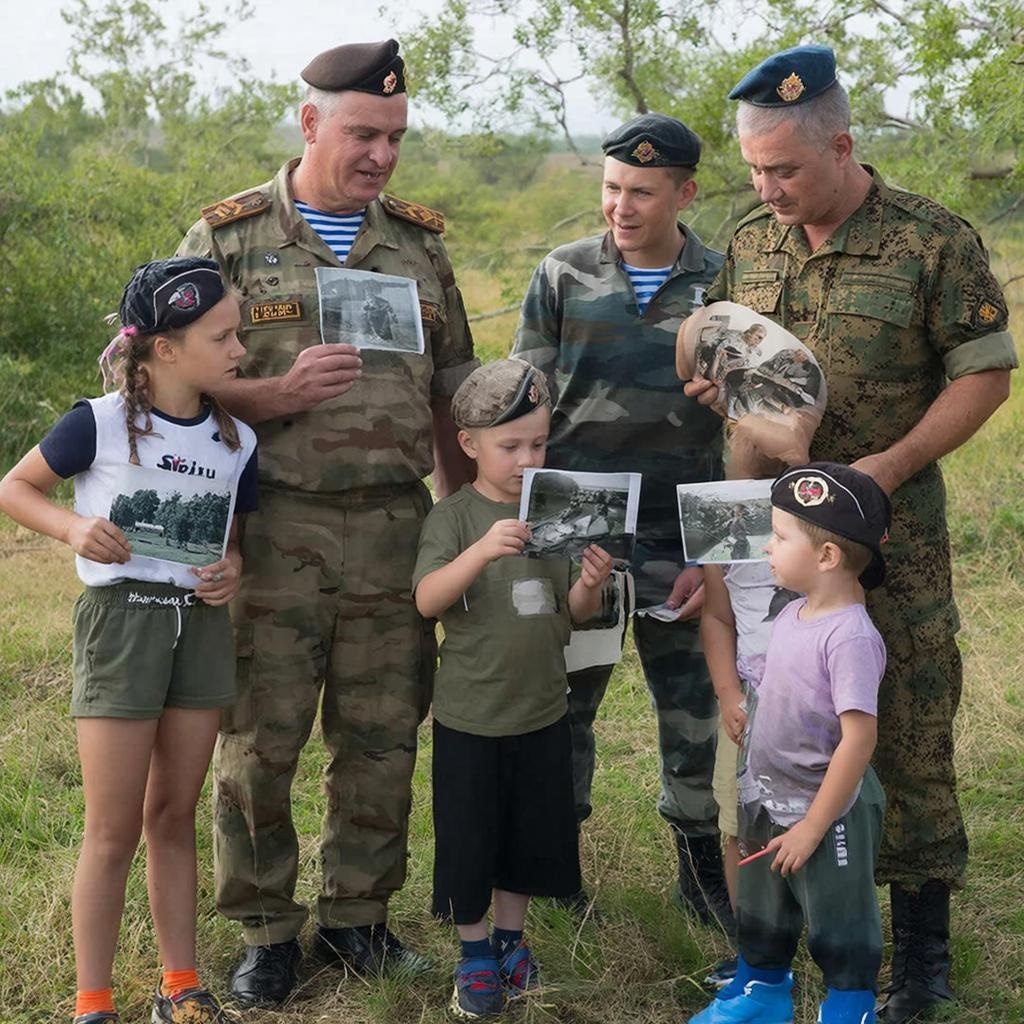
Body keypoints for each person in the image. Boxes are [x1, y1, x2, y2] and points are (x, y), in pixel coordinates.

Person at [685, 44, 1017, 1021]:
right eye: (754, 169)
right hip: (772, 545)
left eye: (784, 168)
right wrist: (719, 402)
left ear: (842, 143)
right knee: (775, 736)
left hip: (890, 538)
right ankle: (771, 954)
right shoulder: (748, 242)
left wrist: (892, 464)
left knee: (908, 730)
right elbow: (736, 371)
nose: (767, 187)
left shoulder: (929, 240)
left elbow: (984, 374)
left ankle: (918, 953)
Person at [176, 39, 478, 1006]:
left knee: (385, 735)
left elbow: (454, 391)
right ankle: (266, 929)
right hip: (271, 531)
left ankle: (359, 918)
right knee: (261, 740)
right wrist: (271, 394)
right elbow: (153, 381)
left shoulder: (420, 245)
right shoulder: (226, 239)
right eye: (363, 133)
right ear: (310, 123)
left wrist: (469, 515)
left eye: (395, 136)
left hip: (395, 527)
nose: (382, 154)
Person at [0, 258, 258, 1024]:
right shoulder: (98, 422)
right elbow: (15, 488)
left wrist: (229, 573)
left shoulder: (237, 440)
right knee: (112, 829)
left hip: (200, 629)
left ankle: (181, 986)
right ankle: (93, 1003)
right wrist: (75, 526)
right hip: (122, 628)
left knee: (173, 813)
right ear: (166, 348)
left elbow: (231, 542)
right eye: (225, 335)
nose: (241, 348)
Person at [513, 113, 732, 928]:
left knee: (696, 701)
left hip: (689, 525)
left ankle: (701, 857)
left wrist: (728, 551)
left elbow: (755, 427)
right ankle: (557, 863)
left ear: (685, 190)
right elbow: (525, 405)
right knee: (564, 701)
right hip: (580, 527)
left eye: (642, 191)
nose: (622, 206)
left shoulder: (726, 278)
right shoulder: (562, 275)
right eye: (611, 188)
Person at [412, 359, 614, 1018]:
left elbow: (566, 619)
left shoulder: (554, 515)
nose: (528, 459)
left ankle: (509, 939)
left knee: (528, 836)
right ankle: (473, 955)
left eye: (538, 443)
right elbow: (425, 599)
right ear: (468, 445)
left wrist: (588, 584)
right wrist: (481, 553)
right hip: (471, 718)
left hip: (541, 714)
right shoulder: (455, 518)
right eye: (510, 446)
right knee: (473, 836)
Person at [691, 461, 891, 1024]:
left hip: (830, 810)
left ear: (827, 557)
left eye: (778, 537)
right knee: (762, 905)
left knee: (838, 916)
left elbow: (858, 740)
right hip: (767, 795)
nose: (766, 547)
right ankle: (762, 994)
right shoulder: (793, 614)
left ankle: (849, 1008)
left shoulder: (850, 635)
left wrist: (814, 825)